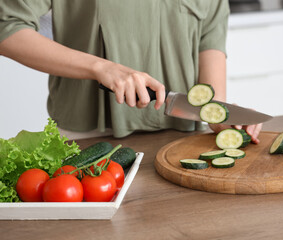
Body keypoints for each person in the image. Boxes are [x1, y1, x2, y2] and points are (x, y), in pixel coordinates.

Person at [0, 0, 262, 143]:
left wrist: (218, 113)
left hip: (181, 140)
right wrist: (101, 67)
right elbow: (6, 28)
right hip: (88, 139)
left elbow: (209, 43)